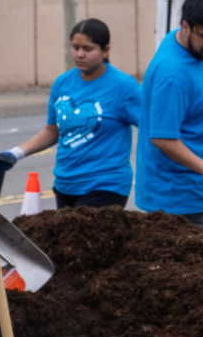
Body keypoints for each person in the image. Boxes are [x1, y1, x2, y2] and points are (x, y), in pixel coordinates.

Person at [9, 18, 138, 208]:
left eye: (88, 49)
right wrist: (16, 153)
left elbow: (155, 128)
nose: (79, 54)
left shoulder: (124, 87)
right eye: (75, 47)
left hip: (106, 186)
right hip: (65, 184)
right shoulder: (62, 83)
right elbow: (52, 131)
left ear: (106, 51)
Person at [138, 0, 203, 230]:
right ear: (185, 27)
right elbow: (162, 138)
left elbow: (201, 72)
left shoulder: (189, 46)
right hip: (177, 198)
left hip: (195, 187)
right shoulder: (172, 75)